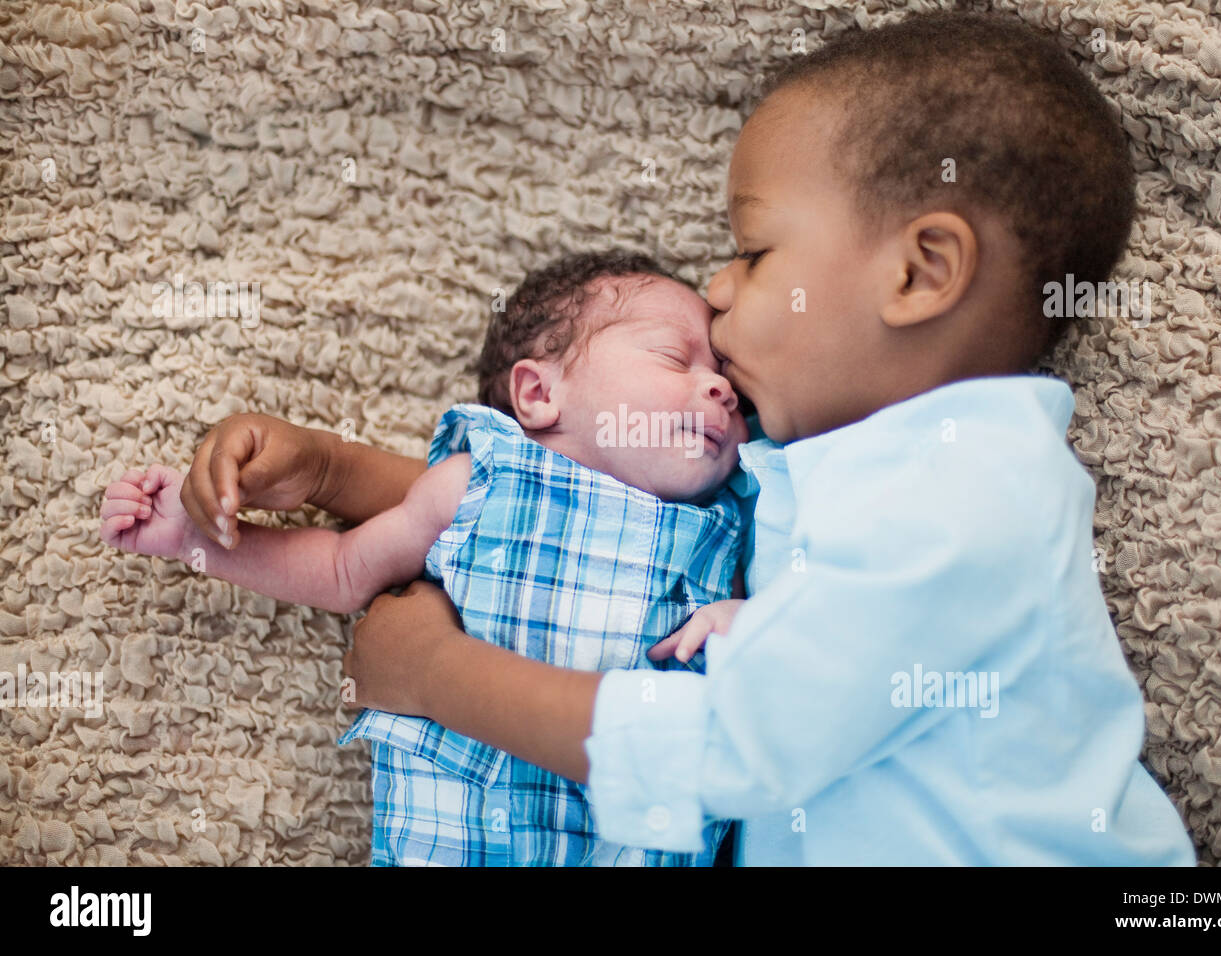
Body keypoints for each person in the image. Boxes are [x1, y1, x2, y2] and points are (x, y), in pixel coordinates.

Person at [179, 11, 1197, 864]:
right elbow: (568, 506)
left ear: (918, 272)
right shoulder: (825, 469)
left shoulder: (975, 488)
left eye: (753, 252)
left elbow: (734, 745)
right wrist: (326, 467)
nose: (715, 288)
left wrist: (436, 678)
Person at [100, 250, 750, 866]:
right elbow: (341, 570)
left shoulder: (732, 523)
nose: (719, 390)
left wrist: (745, 623)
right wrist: (195, 539)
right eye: (675, 358)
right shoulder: (479, 484)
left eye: (728, 383)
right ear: (538, 394)